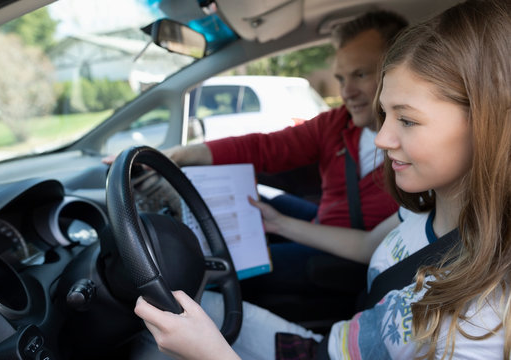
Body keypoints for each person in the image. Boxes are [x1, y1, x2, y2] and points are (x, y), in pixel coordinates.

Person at [133, 0, 511, 358]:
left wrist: (212, 356)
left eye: (407, 119)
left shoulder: (479, 322)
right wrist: (280, 222)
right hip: (329, 345)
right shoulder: (423, 209)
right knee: (185, 307)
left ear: (488, 123)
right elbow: (365, 245)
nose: (383, 139)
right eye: (386, 112)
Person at [161, 11, 407, 319]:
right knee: (255, 199)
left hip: (346, 257)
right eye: (342, 78)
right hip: (324, 222)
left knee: (217, 272)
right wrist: (184, 155)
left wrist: (285, 226)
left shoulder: (415, 152)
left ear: (399, 71)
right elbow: (267, 147)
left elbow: (373, 245)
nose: (346, 93)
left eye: (361, 75)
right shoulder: (338, 123)